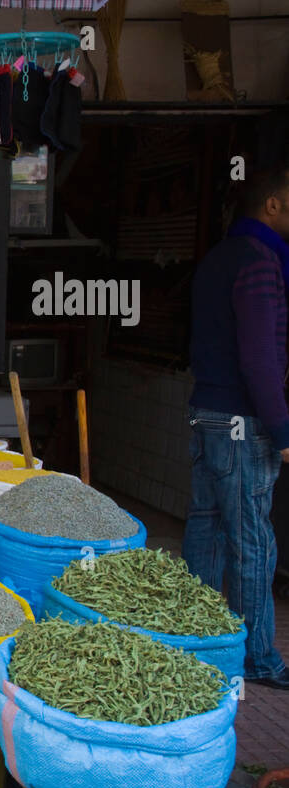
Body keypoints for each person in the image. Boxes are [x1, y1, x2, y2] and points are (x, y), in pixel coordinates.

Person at [185, 164, 289, 690]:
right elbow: (261, 358)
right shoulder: (260, 264)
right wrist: (283, 428)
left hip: (207, 413)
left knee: (206, 530)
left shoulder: (217, 260)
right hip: (242, 425)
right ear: (271, 205)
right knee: (252, 540)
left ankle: (194, 642)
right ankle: (258, 659)